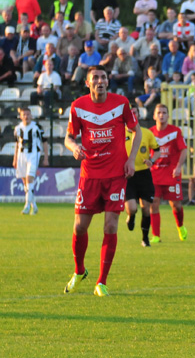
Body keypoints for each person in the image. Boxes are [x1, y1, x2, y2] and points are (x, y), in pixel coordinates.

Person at [63, 65, 140, 297]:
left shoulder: (121, 103)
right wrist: (74, 146)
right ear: (87, 83)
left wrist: (131, 160)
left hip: (116, 174)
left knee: (110, 225)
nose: (99, 81)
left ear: (108, 81)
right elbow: (68, 137)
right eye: (95, 78)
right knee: (79, 227)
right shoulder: (78, 106)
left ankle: (102, 282)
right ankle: (79, 271)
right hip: (90, 174)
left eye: (103, 77)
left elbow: (137, 131)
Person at [149, 104, 187, 243]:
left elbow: (184, 150)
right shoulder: (150, 133)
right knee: (154, 203)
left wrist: (178, 167)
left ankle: (180, 226)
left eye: (164, 112)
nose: (161, 115)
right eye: (158, 112)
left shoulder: (175, 132)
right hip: (155, 174)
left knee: (176, 205)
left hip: (172, 174)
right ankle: (156, 235)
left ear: (168, 115)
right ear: (154, 116)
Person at [124, 107, 160, 247]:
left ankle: (145, 238)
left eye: (135, 112)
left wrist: (152, 160)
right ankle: (131, 216)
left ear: (138, 115)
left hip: (144, 174)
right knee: (132, 208)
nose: (132, 115)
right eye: (130, 112)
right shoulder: (120, 133)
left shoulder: (146, 133)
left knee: (146, 208)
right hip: (128, 175)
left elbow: (157, 150)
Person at [13, 107, 48, 215]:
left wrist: (46, 158)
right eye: (24, 114)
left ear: (31, 116)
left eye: (28, 114)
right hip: (21, 155)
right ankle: (34, 206)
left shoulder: (37, 127)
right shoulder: (18, 128)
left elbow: (45, 142)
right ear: (20, 116)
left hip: (33, 155)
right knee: (25, 182)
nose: (26, 116)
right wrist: (15, 158)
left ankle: (27, 206)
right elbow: (17, 144)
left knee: (29, 179)